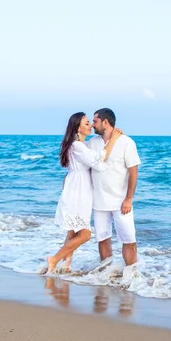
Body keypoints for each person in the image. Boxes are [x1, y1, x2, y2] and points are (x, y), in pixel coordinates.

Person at [46, 112, 122, 273]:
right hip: (78, 193)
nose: (91, 126)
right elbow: (99, 162)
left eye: (91, 123)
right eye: (87, 123)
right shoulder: (78, 146)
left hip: (76, 189)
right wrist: (114, 139)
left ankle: (65, 265)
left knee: (73, 232)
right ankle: (54, 259)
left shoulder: (78, 145)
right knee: (85, 234)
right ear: (77, 128)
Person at [88, 108, 140, 266]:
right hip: (98, 202)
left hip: (120, 202)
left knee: (129, 239)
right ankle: (106, 274)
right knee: (102, 239)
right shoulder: (91, 143)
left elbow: (133, 172)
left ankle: (131, 276)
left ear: (105, 122)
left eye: (95, 121)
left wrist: (129, 199)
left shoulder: (126, 142)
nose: (92, 125)